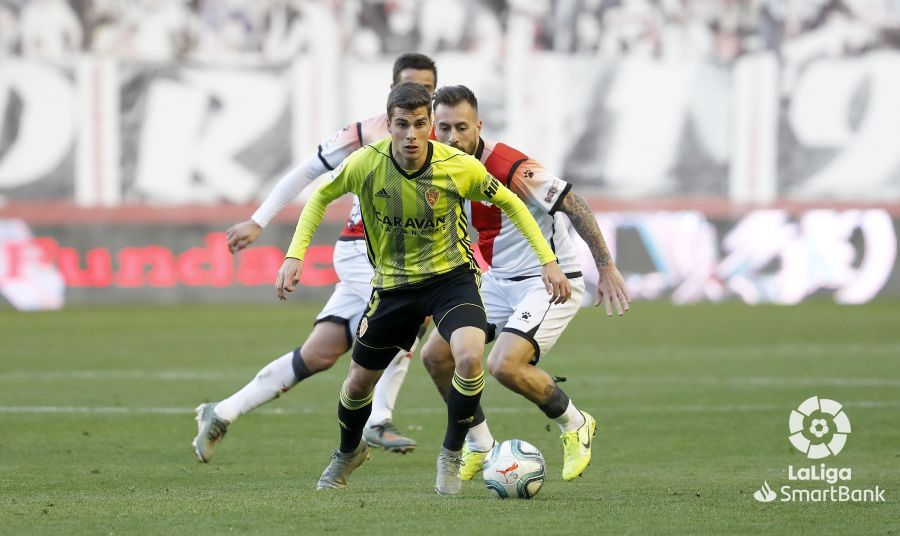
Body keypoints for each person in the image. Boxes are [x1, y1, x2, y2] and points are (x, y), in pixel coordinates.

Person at [275, 82, 571, 495]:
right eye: (402, 125)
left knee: (468, 357)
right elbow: (320, 197)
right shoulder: (366, 163)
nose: (411, 135)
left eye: (419, 124)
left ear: (430, 123)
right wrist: (295, 254)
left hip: (452, 280)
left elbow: (511, 203)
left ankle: (451, 453)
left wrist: (548, 260)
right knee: (358, 384)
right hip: (394, 288)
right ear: (390, 125)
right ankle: (347, 452)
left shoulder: (458, 166)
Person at [192, 53, 438, 463]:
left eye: (427, 89)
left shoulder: (439, 139)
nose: (419, 95)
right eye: (409, 87)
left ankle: (222, 411)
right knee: (408, 313)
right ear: (390, 92)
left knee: (318, 354)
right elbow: (308, 173)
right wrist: (258, 220)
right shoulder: (364, 133)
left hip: (402, 255)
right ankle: (378, 420)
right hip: (363, 250)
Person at [420, 85, 631, 482]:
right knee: (436, 356)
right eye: (444, 128)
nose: (452, 138)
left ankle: (575, 423)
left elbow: (574, 203)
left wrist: (605, 267)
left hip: (550, 280)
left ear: (478, 125)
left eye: (461, 128)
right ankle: (480, 442)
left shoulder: (511, 166)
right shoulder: (436, 164)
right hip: (497, 282)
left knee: (503, 365)